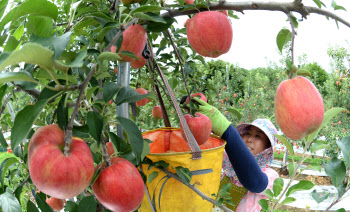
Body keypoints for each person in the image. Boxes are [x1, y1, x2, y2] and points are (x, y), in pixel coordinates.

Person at [184, 98, 279, 212]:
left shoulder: (270, 175)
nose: (249, 139)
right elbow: (209, 149)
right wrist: (200, 122)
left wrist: (226, 130)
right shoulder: (229, 160)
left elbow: (255, 182)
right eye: (247, 133)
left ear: (267, 148)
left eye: (258, 136)